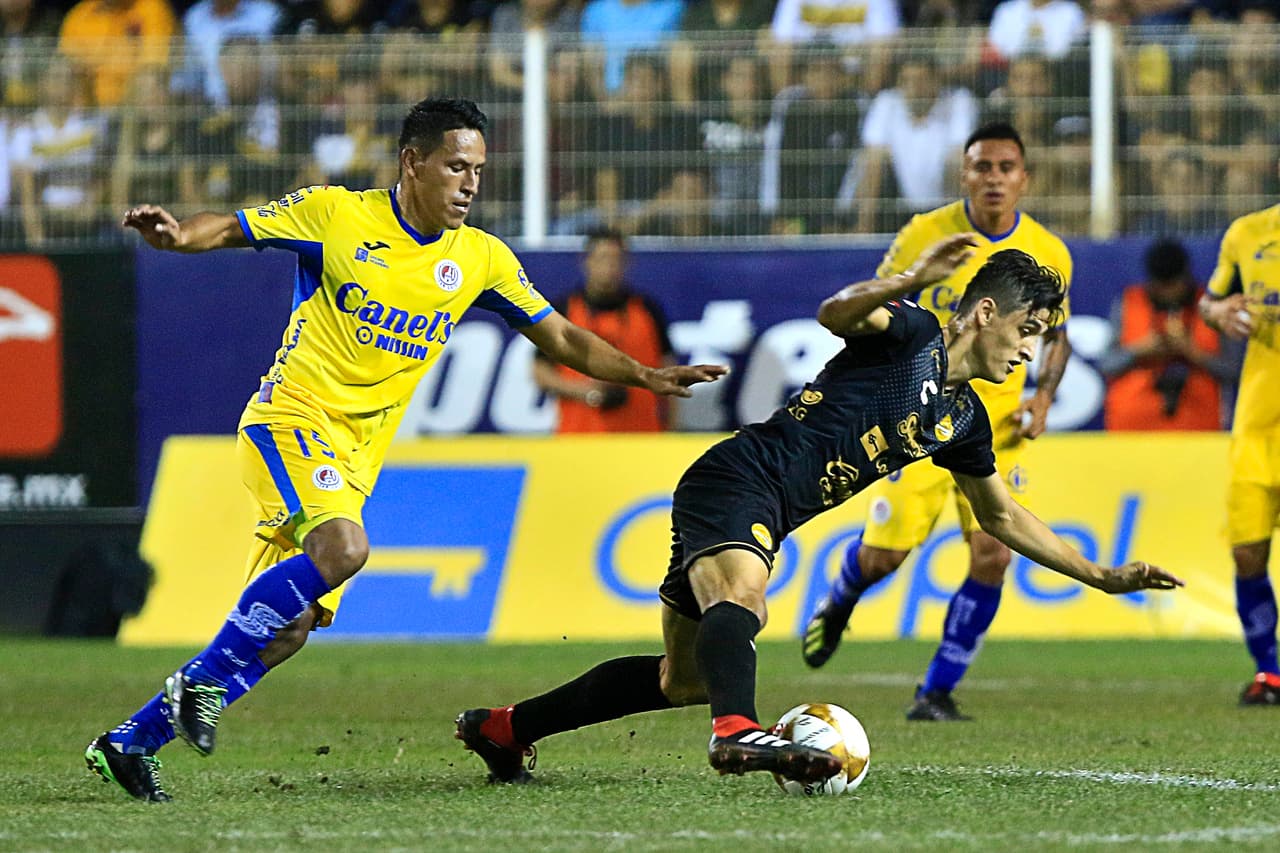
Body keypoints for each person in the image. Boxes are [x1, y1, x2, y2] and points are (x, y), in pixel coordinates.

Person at [84, 96, 728, 803]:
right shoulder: (337, 216)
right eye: (456, 166)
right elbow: (234, 228)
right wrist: (177, 238)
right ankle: (199, 686)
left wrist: (643, 374)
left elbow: (564, 338)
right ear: (411, 162)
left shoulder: (479, 258)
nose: (470, 183)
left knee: (289, 628)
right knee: (344, 550)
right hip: (291, 420)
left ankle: (130, 741)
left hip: (354, 461)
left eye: (479, 169)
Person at [456, 240, 1183, 788]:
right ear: (986, 311)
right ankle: (738, 732)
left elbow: (1000, 515)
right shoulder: (914, 333)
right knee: (745, 597)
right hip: (740, 477)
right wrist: (912, 279)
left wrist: (1101, 574)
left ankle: (505, 727)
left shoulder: (962, 417)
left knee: (684, 679)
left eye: (1042, 339)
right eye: (1029, 328)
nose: (1030, 348)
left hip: (757, 499)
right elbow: (835, 312)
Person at [801, 123, 1075, 723]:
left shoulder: (1049, 252)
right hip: (919, 420)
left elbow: (1058, 338)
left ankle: (936, 691)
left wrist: (1044, 399)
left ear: (1023, 177)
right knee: (883, 560)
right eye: (982, 166)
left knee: (994, 553)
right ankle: (842, 598)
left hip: (997, 430)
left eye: (1006, 167)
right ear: (965, 174)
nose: (994, 178)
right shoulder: (927, 234)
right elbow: (878, 301)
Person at [1198, 188, 1280, 705]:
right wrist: (1218, 313)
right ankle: (1269, 673)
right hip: (1259, 422)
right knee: (1247, 551)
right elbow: (1210, 302)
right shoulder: (1247, 233)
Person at [533, 226, 674, 431]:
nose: (609, 267)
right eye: (602, 258)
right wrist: (586, 392)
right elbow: (540, 371)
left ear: (627, 263)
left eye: (616, 259)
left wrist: (671, 427)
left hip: (641, 439)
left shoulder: (647, 310)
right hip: (579, 439)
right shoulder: (563, 311)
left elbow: (668, 371)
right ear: (586, 261)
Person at [1100, 238, 1233, 431]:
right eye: (1161, 285)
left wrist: (1192, 352)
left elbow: (1234, 370)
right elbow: (1106, 364)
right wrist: (1140, 351)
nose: (1167, 292)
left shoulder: (1214, 308)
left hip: (1198, 429)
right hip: (1132, 428)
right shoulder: (1129, 302)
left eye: (1172, 284)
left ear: (1186, 278)